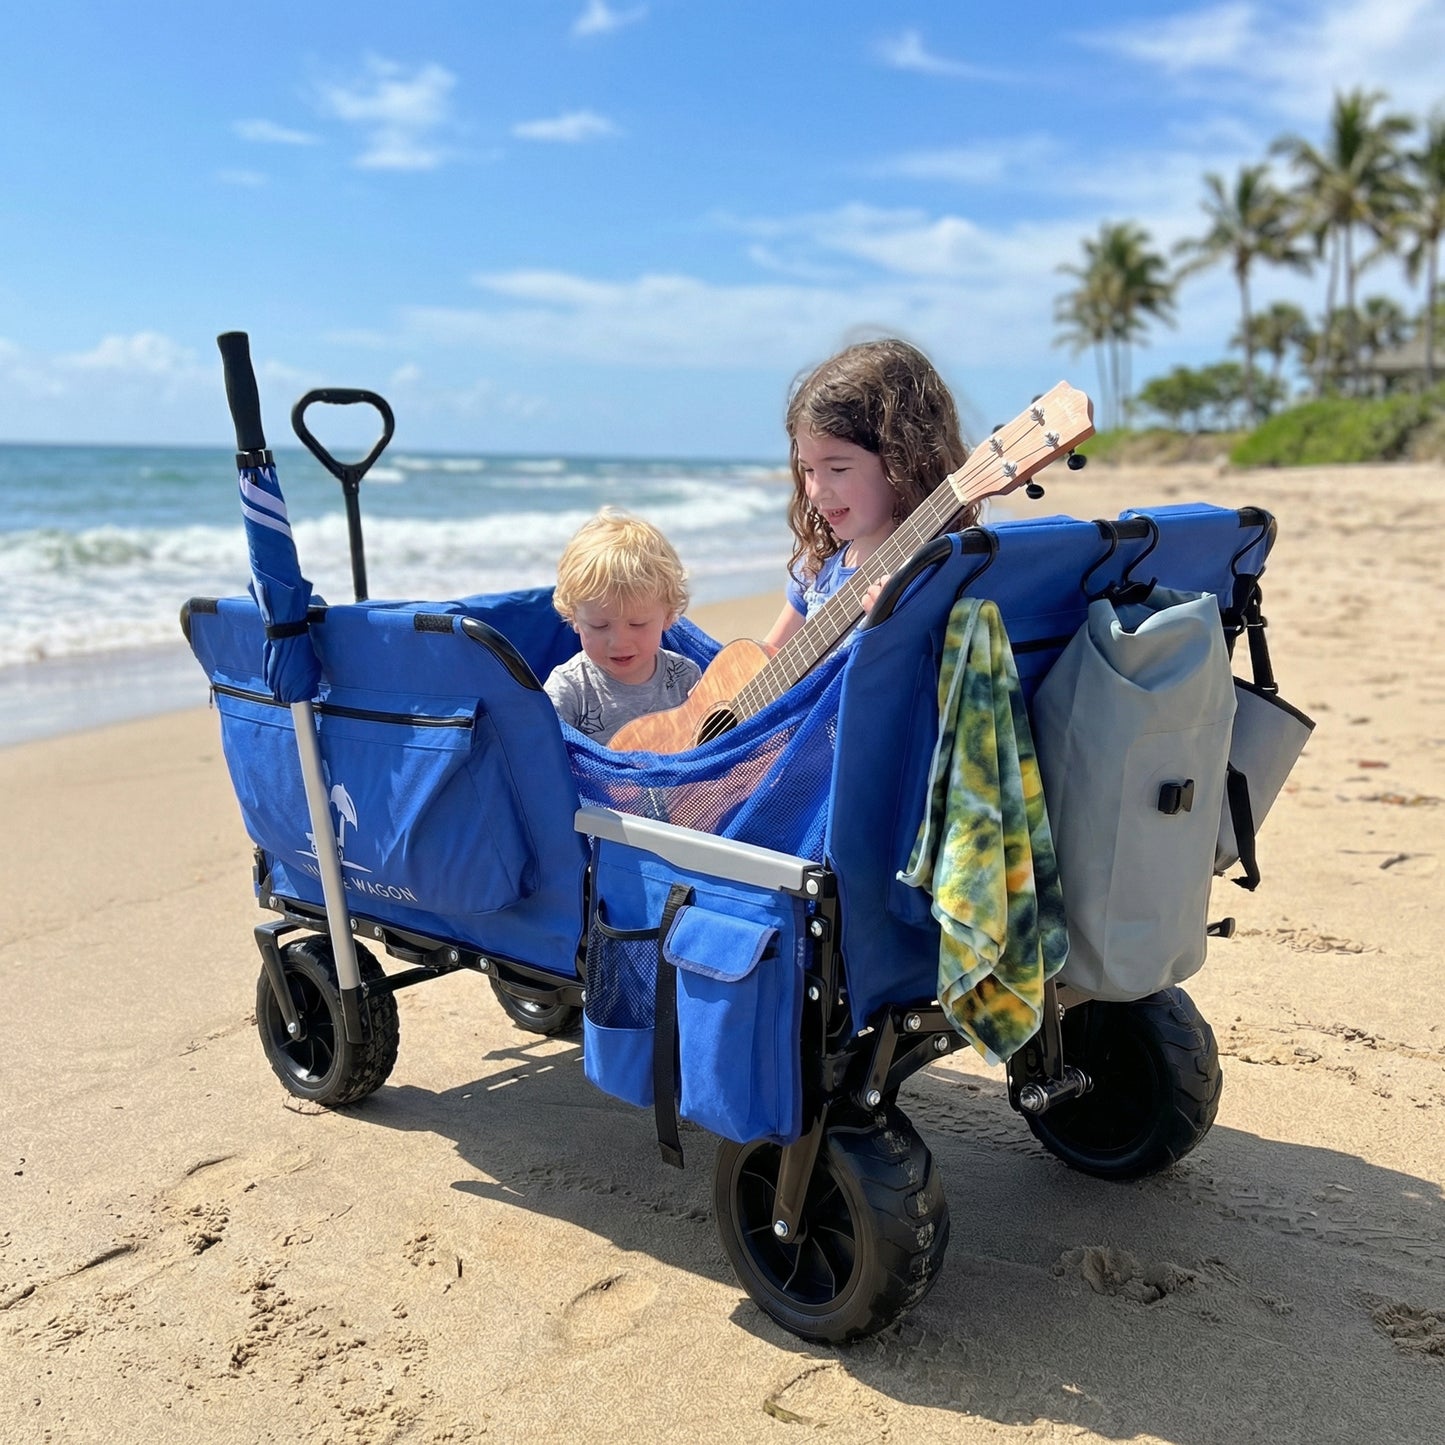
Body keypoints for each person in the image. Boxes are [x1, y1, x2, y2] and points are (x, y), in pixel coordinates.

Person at [763, 337, 974, 652]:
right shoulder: (818, 568)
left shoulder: (928, 573)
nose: (817, 492)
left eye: (838, 470)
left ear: (902, 461)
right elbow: (766, 661)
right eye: (808, 470)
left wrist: (892, 635)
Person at [543, 508, 702, 745]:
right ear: (574, 618)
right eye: (599, 625)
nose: (619, 642)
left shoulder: (685, 678)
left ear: (668, 616)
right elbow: (545, 760)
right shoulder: (569, 689)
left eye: (637, 624)